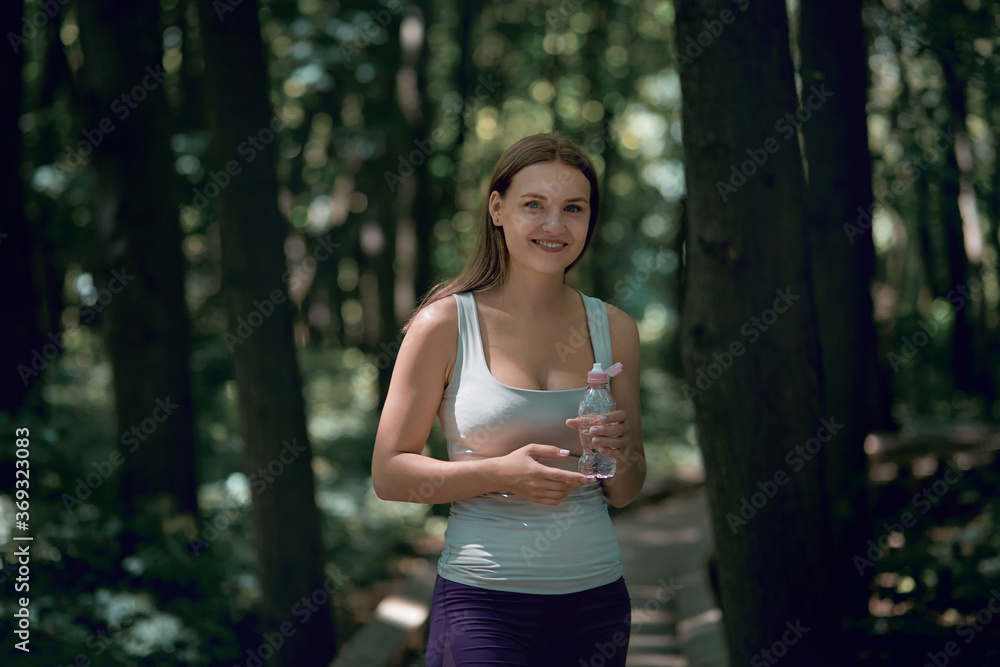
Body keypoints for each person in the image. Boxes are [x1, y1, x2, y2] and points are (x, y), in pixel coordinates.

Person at [372, 132, 645, 666]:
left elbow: (628, 489)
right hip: (482, 605)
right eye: (533, 205)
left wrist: (619, 452)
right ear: (497, 209)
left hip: (596, 604)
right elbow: (389, 474)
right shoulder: (445, 324)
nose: (554, 225)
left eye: (573, 208)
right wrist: (502, 473)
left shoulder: (615, 329)